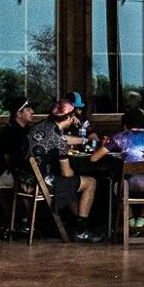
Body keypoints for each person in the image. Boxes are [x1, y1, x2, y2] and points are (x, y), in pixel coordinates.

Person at [27, 99, 100, 241]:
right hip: (40, 183)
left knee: (72, 183)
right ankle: (81, 230)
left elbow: (62, 138)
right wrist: (75, 175)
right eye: (73, 116)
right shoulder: (59, 141)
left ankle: (77, 223)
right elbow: (67, 173)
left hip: (25, 178)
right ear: (68, 118)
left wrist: (83, 140)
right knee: (90, 182)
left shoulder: (41, 126)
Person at [99, 109, 144, 231]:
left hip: (129, 188)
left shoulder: (120, 137)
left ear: (125, 125)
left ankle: (131, 223)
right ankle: (139, 225)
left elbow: (94, 157)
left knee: (119, 188)